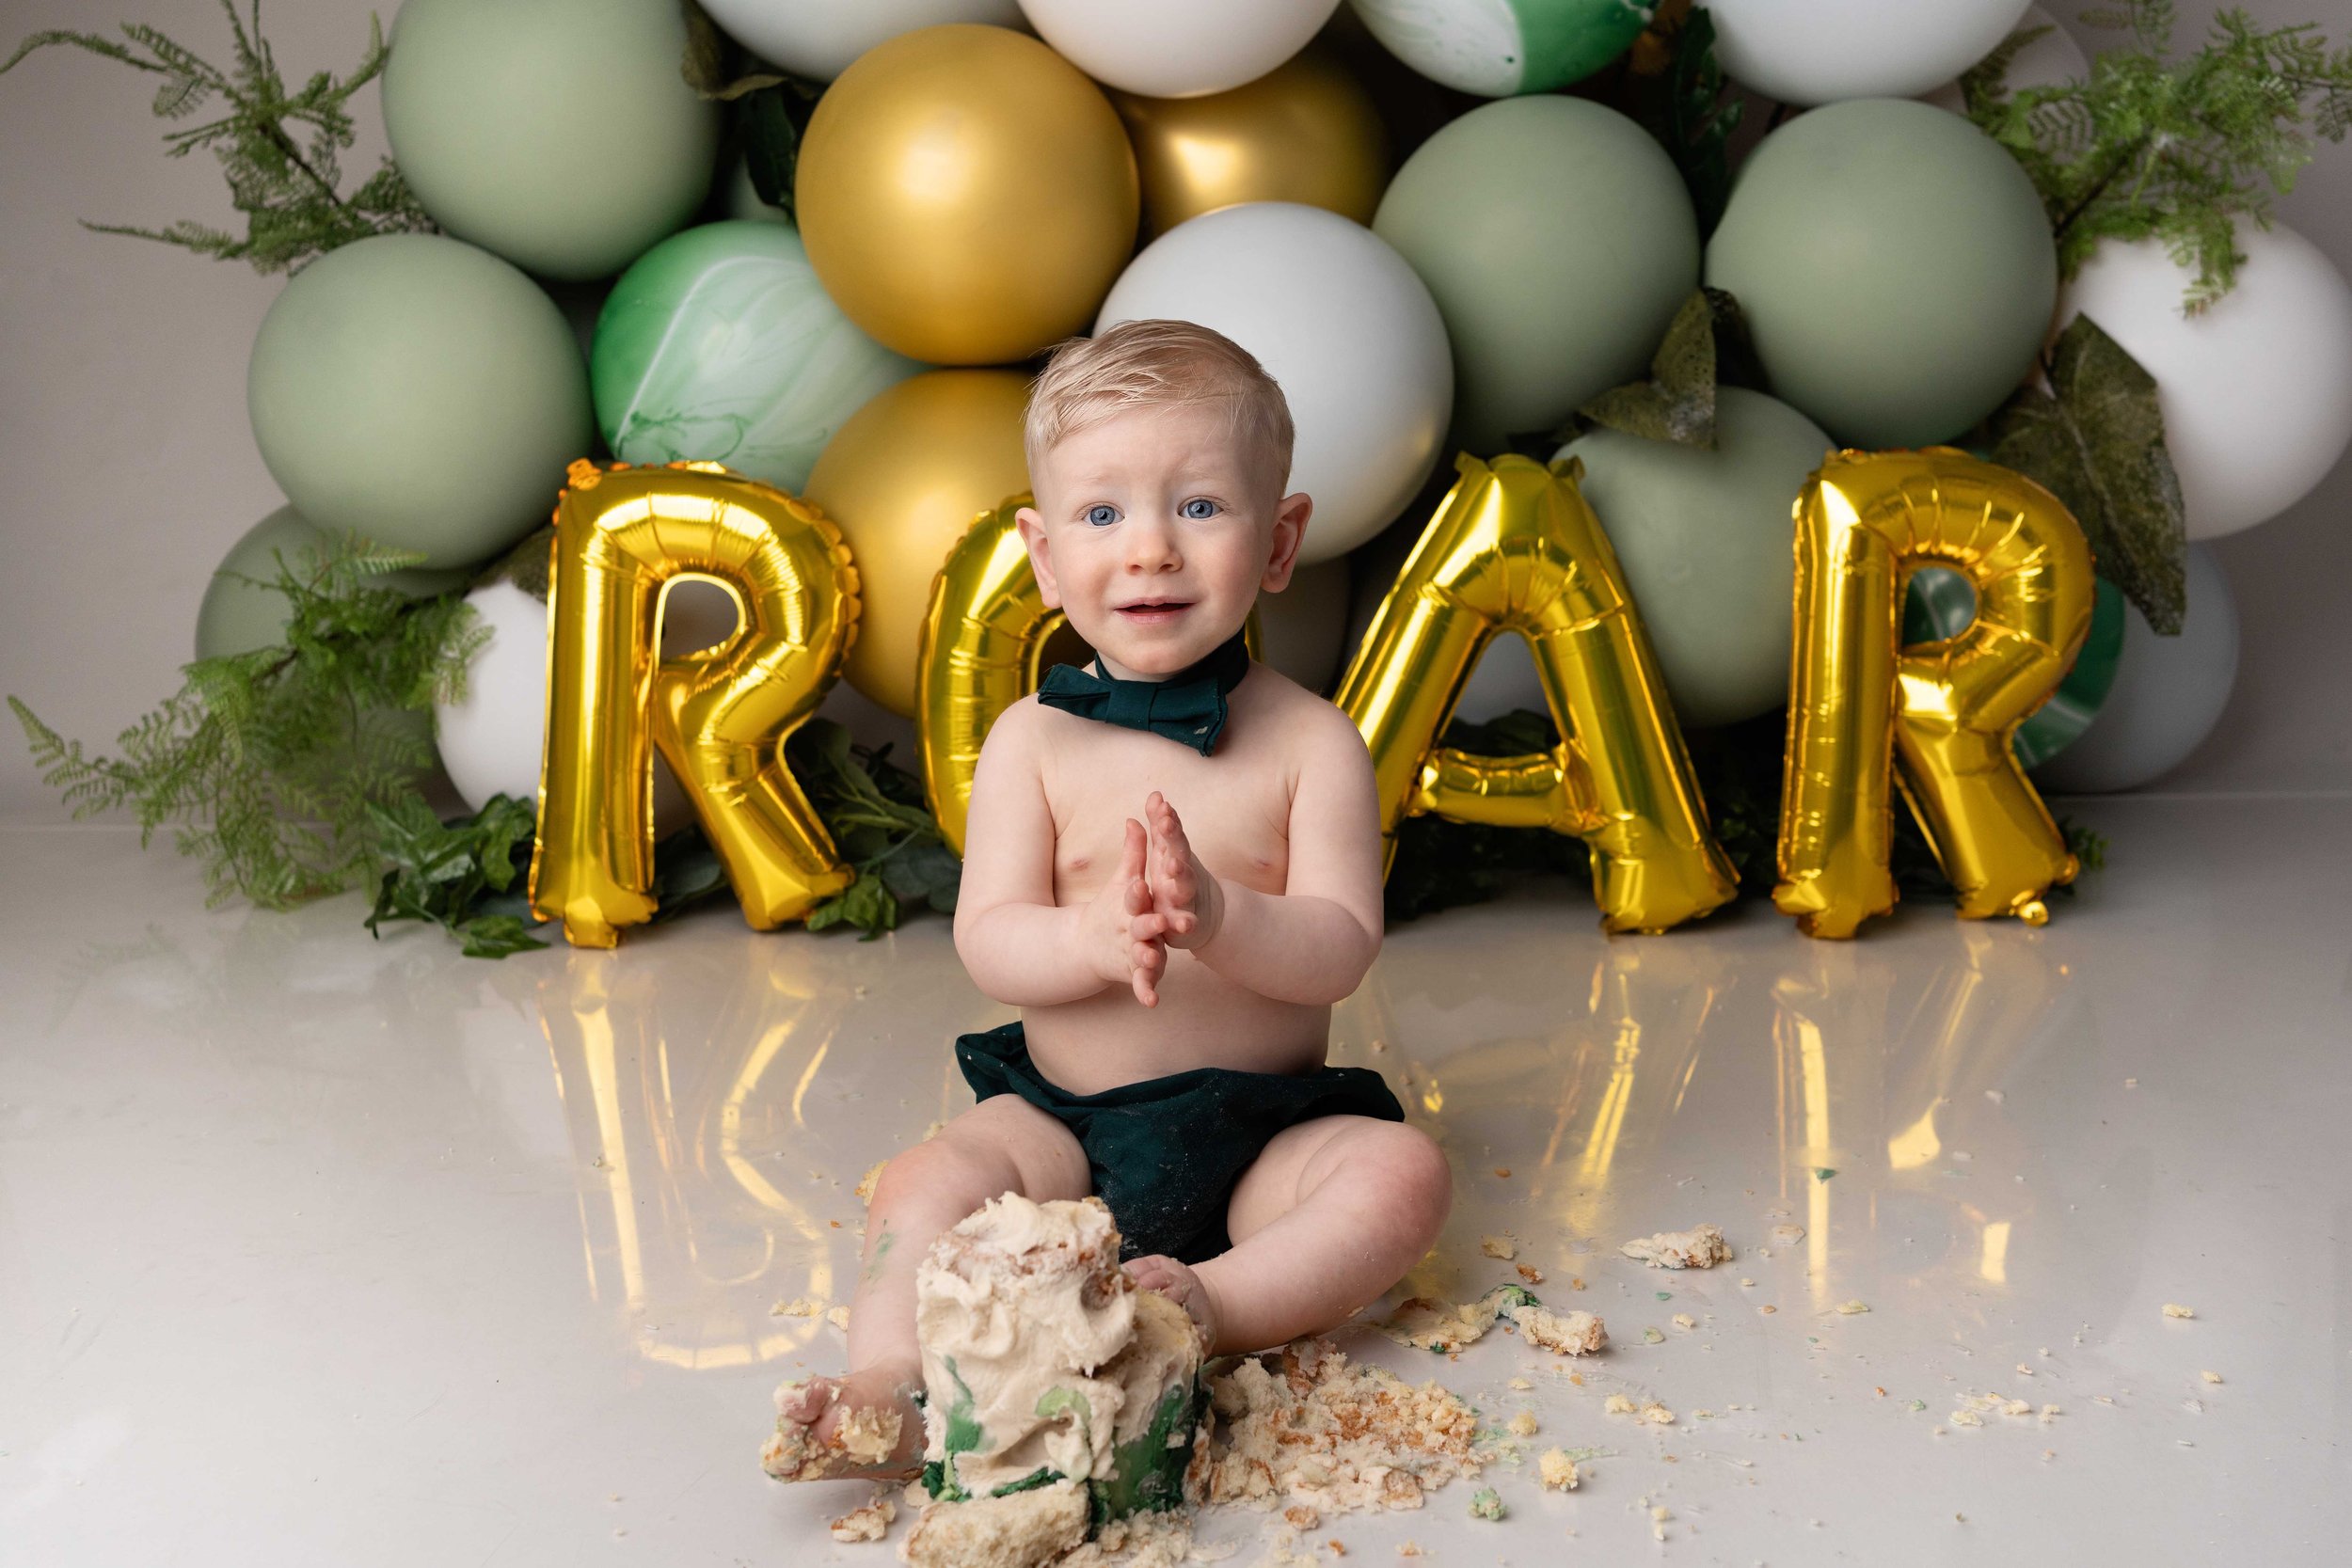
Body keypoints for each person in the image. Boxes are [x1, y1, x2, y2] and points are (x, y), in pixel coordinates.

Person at [766, 318, 1452, 1481]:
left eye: (1199, 506)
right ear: (1041, 555)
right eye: (1100, 513)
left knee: (1401, 1175)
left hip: (1262, 1135)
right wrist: (1087, 938)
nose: (1148, 551)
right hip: (1065, 1129)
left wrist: (1222, 920)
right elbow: (990, 939)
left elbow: (1340, 945)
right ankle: (887, 1383)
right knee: (924, 1177)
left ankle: (1202, 1309)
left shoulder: (1312, 742)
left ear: (1280, 540)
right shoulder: (1030, 742)